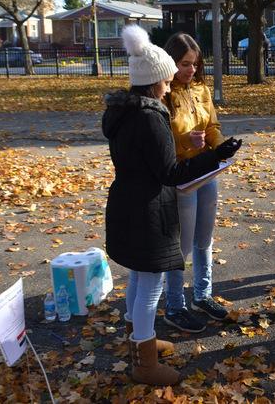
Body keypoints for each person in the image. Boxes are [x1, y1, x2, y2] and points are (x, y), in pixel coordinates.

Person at [102, 25, 241, 385]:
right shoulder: (151, 117)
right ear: (153, 81)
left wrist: (213, 150)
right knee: (151, 284)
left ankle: (139, 342)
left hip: (128, 202)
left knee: (138, 277)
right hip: (149, 208)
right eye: (165, 81)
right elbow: (171, 172)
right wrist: (214, 157)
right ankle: (145, 363)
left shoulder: (125, 112)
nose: (168, 87)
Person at [161, 32, 229, 333]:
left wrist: (223, 147)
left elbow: (211, 126)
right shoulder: (163, 93)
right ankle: (175, 305)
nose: (191, 70)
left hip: (206, 171)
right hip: (182, 175)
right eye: (185, 64)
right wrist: (185, 140)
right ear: (171, 63)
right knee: (182, 244)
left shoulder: (200, 88)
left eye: (195, 64)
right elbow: (162, 138)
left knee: (205, 238)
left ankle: (203, 294)